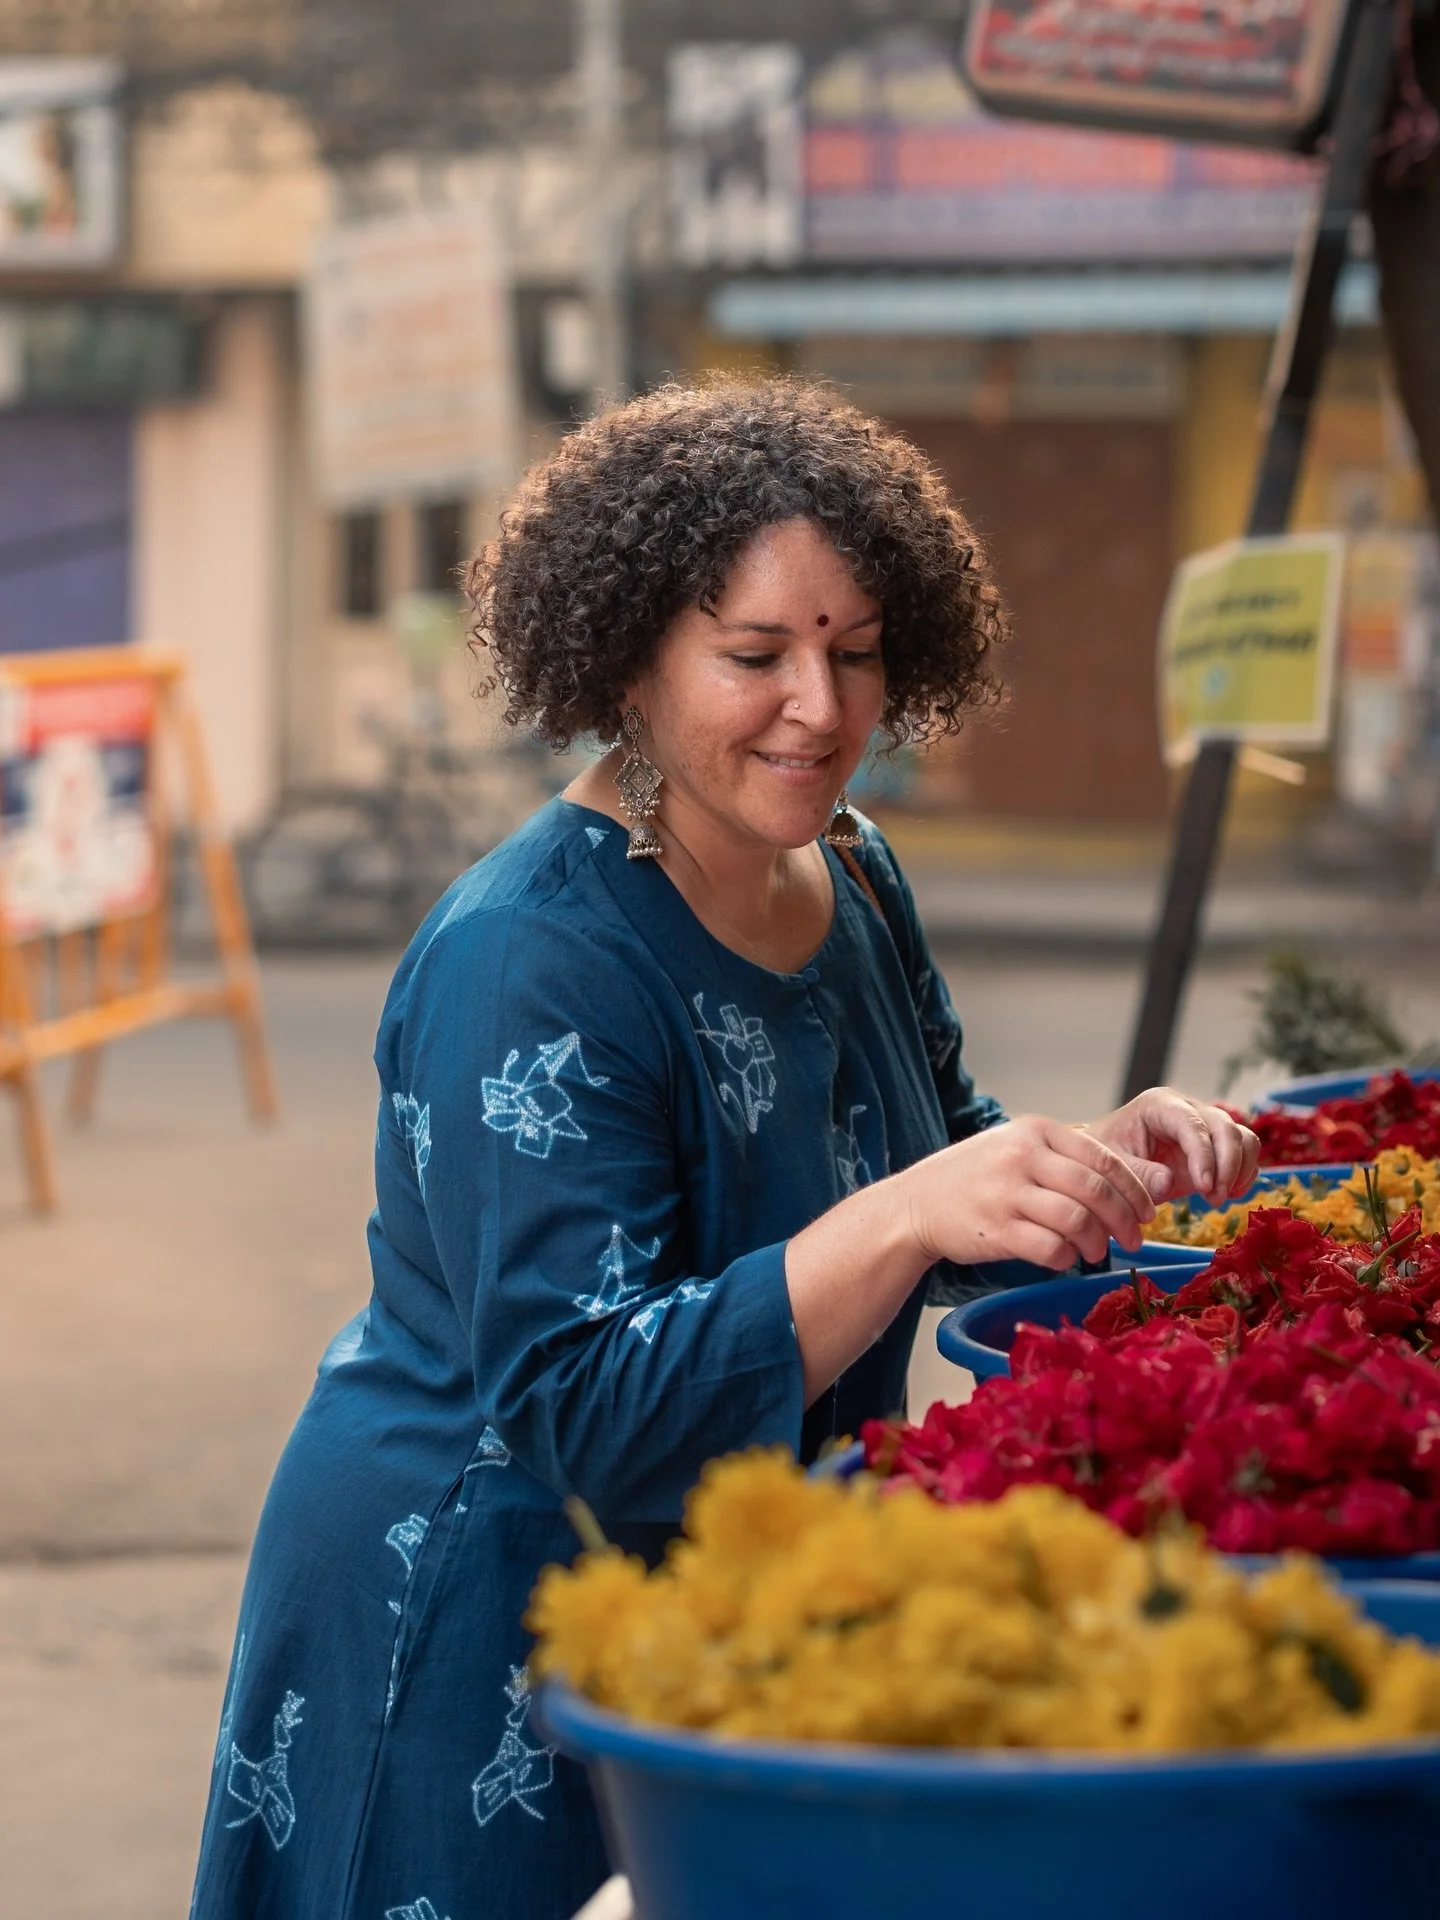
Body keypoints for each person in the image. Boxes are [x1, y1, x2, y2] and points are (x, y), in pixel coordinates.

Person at [189, 381, 1258, 1920]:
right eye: (756, 657)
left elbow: (925, 1158)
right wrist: (906, 1210)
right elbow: (586, 1403)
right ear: (626, 659)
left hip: (712, 1598)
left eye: (858, 653)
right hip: (479, 1610)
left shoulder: (852, 865)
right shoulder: (531, 958)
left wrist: (1083, 1161)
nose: (819, 710)